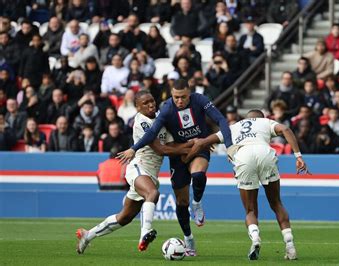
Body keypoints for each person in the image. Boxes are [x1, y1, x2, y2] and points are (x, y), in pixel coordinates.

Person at [117, 79, 233, 256]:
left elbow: (221, 120)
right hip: (178, 154)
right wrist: (134, 148)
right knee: (181, 201)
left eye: (184, 97)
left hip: (198, 148)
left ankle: (197, 203)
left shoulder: (200, 100)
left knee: (198, 174)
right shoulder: (166, 108)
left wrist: (229, 146)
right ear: (171, 95)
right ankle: (188, 238)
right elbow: (151, 133)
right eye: (176, 97)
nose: (180, 101)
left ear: (190, 93)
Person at [76, 90, 193, 254]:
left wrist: (192, 145)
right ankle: (145, 232)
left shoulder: (161, 118)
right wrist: (192, 147)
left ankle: (87, 235)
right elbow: (160, 149)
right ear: (138, 107)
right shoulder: (141, 121)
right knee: (152, 193)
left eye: (152, 100)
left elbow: (172, 145)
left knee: (124, 217)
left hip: (151, 173)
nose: (151, 104)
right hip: (138, 167)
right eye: (145, 103)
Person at [184, 109, 307, 260]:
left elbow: (202, 142)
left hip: (243, 156)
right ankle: (290, 247)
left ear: (246, 118)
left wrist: (187, 158)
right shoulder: (266, 122)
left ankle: (255, 239)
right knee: (276, 203)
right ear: (261, 117)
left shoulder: (233, 127)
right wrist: (298, 156)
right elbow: (286, 129)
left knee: (250, 210)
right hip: (265, 153)